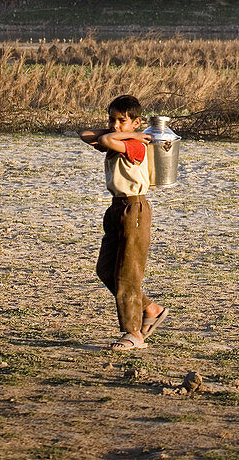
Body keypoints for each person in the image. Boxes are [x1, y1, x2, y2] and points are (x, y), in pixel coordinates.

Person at [80, 95, 168, 351]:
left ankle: (133, 333)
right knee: (106, 270)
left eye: (121, 120)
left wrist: (132, 136)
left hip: (135, 208)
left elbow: (106, 140)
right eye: (111, 119)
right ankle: (151, 308)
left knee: (128, 275)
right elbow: (86, 135)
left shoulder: (137, 146)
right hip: (116, 207)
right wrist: (118, 132)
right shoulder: (120, 140)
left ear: (136, 122)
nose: (115, 125)